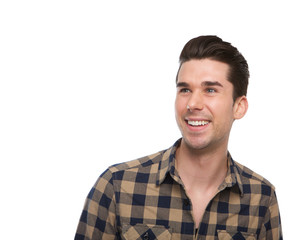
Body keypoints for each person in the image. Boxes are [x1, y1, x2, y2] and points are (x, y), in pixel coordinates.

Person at [75, 35, 282, 240]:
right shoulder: (117, 186)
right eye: (185, 89)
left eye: (210, 90)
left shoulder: (261, 198)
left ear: (239, 107)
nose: (193, 103)